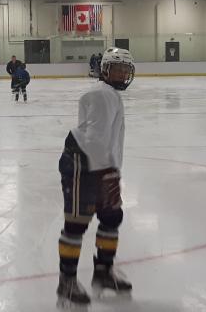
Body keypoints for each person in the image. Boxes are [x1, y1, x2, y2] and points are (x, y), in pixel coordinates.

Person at [57, 48, 135, 306]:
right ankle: (66, 283)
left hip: (101, 165)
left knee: (112, 217)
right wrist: (107, 172)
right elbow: (95, 140)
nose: (123, 74)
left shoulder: (109, 94)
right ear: (105, 70)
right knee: (77, 223)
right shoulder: (101, 95)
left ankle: (103, 272)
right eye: (118, 68)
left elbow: (107, 141)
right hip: (83, 164)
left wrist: (112, 170)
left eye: (126, 69)